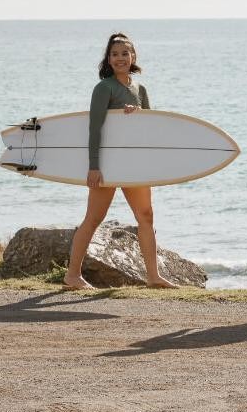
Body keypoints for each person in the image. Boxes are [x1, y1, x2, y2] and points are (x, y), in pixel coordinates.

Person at [65, 33, 178, 290]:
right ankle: (72, 276)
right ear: (108, 58)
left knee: (146, 216)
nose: (120, 58)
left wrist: (136, 114)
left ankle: (153, 276)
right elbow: (95, 128)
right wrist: (94, 166)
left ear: (133, 56)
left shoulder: (140, 89)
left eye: (125, 53)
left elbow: (149, 127)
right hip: (106, 164)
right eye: (114, 54)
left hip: (133, 164)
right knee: (93, 218)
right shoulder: (104, 88)